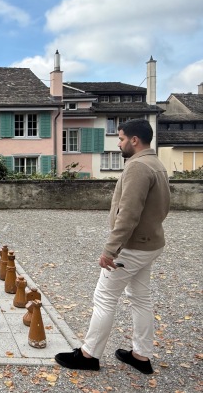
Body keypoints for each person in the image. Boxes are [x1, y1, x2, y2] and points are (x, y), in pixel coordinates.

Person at [55, 119, 170, 374]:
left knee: (104, 297)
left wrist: (110, 250)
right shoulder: (156, 163)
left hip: (132, 247)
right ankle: (141, 356)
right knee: (140, 298)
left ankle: (89, 355)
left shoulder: (138, 166)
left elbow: (128, 214)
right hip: (150, 244)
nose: (118, 143)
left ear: (134, 140)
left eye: (121, 138)